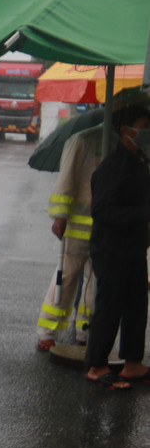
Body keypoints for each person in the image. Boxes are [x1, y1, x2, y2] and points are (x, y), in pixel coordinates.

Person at [36, 89, 150, 352]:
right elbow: (65, 183)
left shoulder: (129, 149)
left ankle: (85, 329)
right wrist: (60, 216)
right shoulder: (82, 141)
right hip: (77, 228)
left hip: (108, 232)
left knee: (95, 284)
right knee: (65, 280)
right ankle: (47, 330)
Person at [84, 103, 150, 390]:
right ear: (126, 131)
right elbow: (102, 211)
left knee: (137, 306)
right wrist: (144, 216)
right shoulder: (113, 166)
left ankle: (133, 364)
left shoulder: (139, 162)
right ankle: (97, 365)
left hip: (134, 250)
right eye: (145, 129)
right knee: (109, 308)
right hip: (111, 250)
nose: (148, 134)